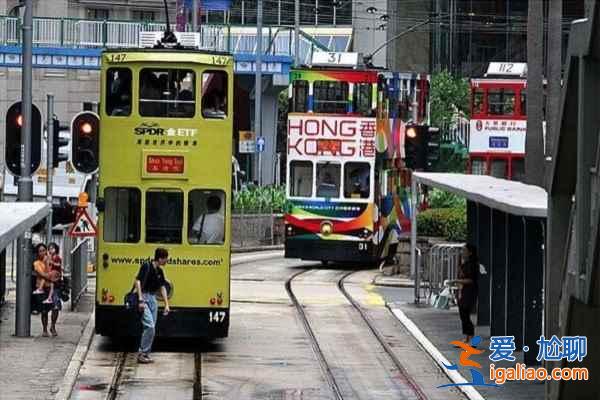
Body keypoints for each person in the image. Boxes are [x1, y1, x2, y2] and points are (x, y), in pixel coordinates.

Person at [135, 248, 171, 364]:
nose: (167, 260)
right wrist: (140, 299)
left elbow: (162, 287)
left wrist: (166, 304)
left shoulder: (159, 271)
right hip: (144, 297)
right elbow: (138, 281)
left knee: (151, 327)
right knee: (150, 326)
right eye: (166, 258)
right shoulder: (146, 266)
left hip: (152, 299)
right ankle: (142, 353)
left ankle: (145, 354)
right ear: (160, 258)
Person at [447, 244, 479, 344]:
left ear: (470, 253)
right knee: (463, 314)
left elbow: (471, 280)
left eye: (464, 251)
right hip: (463, 291)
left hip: (470, 291)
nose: (462, 253)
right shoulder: (464, 264)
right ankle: (468, 336)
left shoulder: (472, 265)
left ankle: (471, 336)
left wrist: (457, 281)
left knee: (465, 313)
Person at [32, 243, 62, 337]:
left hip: (53, 288)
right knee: (44, 310)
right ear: (37, 253)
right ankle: (44, 329)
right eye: (40, 251)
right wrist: (53, 276)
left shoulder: (50, 259)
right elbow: (44, 275)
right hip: (43, 288)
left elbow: (57, 271)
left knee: (55, 307)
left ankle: (52, 326)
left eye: (44, 250)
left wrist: (55, 275)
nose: (43, 253)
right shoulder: (37, 263)